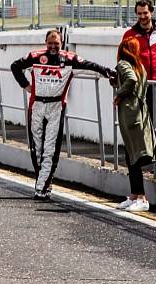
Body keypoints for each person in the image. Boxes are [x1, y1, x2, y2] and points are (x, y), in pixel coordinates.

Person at [11, 29, 115, 200]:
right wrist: (26, 86)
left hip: (56, 106)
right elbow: (15, 67)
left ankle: (41, 188)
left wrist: (109, 72)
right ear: (45, 43)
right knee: (36, 148)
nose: (53, 46)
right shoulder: (35, 56)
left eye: (56, 44)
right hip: (36, 106)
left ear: (62, 43)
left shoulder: (69, 59)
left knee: (50, 149)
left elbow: (91, 66)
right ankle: (44, 182)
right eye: (50, 43)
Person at [121, 0, 156, 171]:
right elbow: (124, 59)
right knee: (142, 123)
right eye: (139, 13)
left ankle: (152, 149)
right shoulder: (129, 34)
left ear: (151, 12)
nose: (142, 17)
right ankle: (155, 156)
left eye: (145, 13)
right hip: (140, 85)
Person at [114, 36, 156, 212]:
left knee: (132, 156)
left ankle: (140, 197)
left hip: (130, 113)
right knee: (131, 154)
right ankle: (134, 195)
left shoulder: (124, 64)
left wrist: (119, 94)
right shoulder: (140, 66)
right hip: (140, 112)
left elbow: (131, 80)